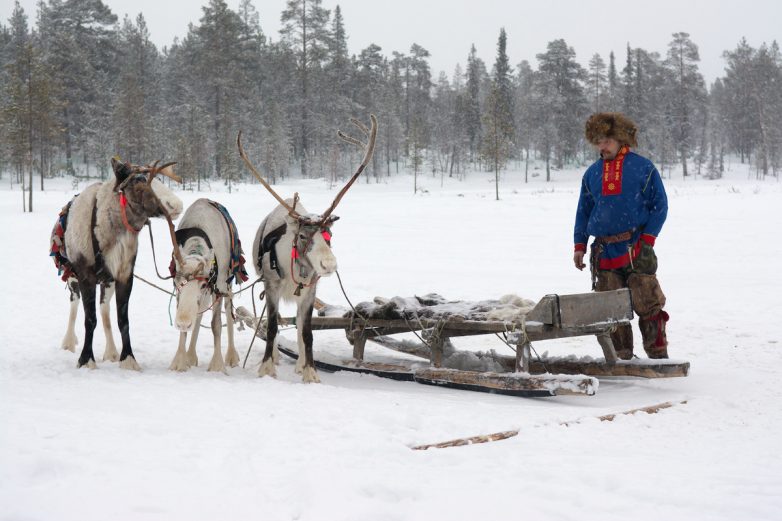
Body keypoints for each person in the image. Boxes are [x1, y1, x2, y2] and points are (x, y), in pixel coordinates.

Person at [573, 112, 670, 359]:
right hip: (604, 251)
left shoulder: (642, 168)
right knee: (610, 309)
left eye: (605, 140)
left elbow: (660, 206)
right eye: (597, 142)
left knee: (647, 303)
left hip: (636, 247)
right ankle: (621, 360)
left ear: (619, 139)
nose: (601, 147)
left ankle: (659, 357)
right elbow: (583, 212)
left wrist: (647, 240)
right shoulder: (592, 174)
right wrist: (579, 245)